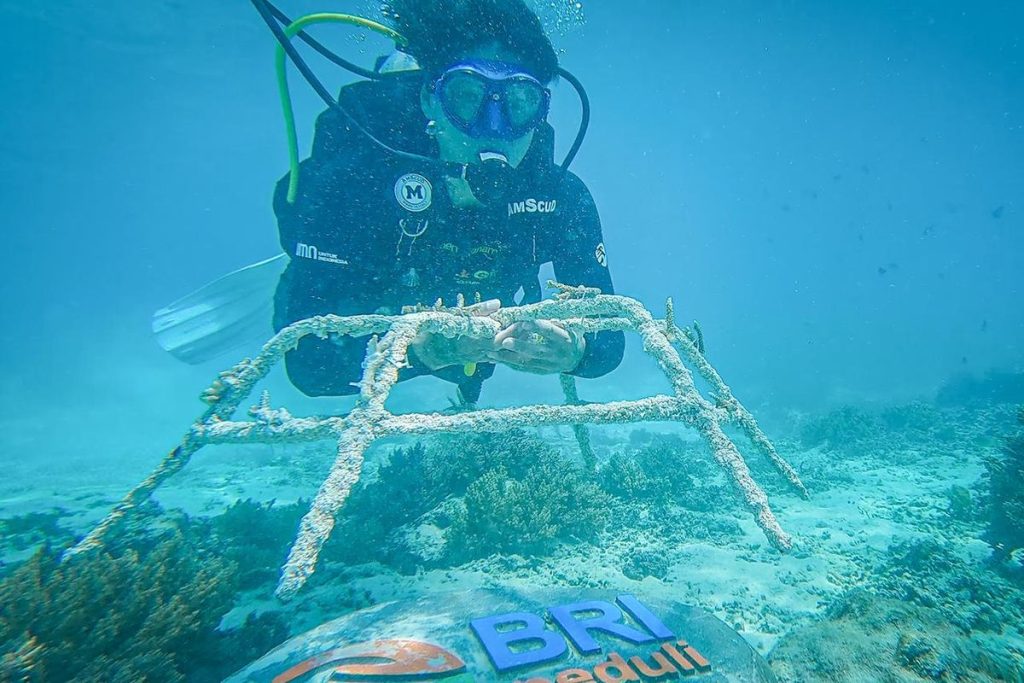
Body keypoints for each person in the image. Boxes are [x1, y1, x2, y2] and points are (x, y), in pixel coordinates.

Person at [272, 0, 624, 404]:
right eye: (466, 96)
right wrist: (419, 351)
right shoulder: (352, 188)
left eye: (520, 102)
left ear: (540, 112)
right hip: (366, 285)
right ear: (429, 99)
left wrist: (575, 349)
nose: (494, 128)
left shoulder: (562, 198)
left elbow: (609, 342)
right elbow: (309, 365)